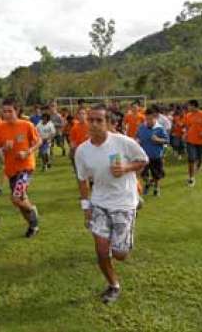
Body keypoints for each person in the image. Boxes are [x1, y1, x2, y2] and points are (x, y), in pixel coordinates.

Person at [74, 104, 148, 304]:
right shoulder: (82, 151)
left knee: (120, 254)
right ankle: (113, 285)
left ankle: (133, 213)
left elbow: (143, 160)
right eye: (91, 120)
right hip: (99, 203)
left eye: (99, 120)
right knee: (100, 249)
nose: (95, 124)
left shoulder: (123, 143)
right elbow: (82, 180)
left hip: (124, 202)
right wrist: (86, 208)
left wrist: (126, 167)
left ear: (108, 123)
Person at [0, 98, 42, 238]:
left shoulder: (26, 125)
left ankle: (33, 211)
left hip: (26, 167)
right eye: (4, 111)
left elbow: (39, 141)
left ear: (17, 111)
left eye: (10, 111)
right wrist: (4, 148)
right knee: (20, 201)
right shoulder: (0, 128)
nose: (7, 114)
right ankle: (33, 225)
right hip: (11, 169)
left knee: (16, 198)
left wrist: (27, 152)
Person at [137, 109, 169, 197]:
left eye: (150, 119)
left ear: (155, 118)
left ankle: (156, 189)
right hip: (143, 156)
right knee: (142, 173)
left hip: (156, 155)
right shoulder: (141, 127)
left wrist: (158, 140)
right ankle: (148, 182)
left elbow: (167, 141)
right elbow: (138, 137)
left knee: (157, 174)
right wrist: (137, 140)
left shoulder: (160, 128)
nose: (148, 121)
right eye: (147, 119)